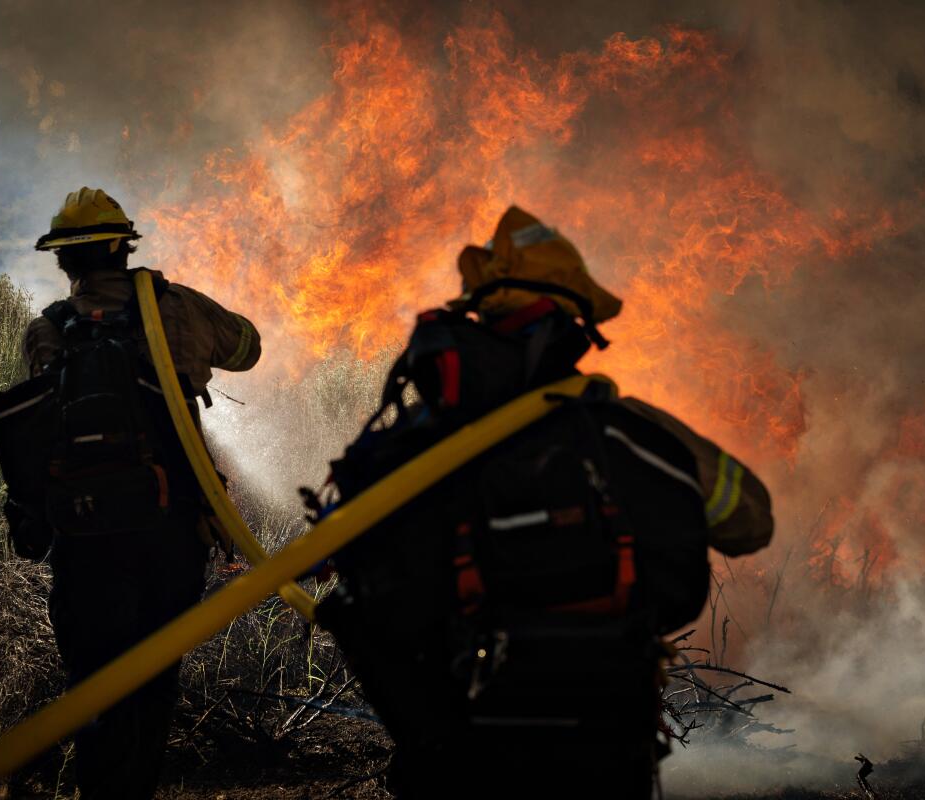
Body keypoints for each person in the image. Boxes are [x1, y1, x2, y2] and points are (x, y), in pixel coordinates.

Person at [312, 207, 774, 798]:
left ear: (477, 308)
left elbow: (355, 586)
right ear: (573, 319)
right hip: (604, 746)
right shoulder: (625, 432)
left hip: (454, 753)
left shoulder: (413, 447)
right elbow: (750, 523)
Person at [0, 187, 260, 799]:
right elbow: (248, 349)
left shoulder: (45, 332)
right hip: (171, 528)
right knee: (155, 677)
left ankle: (100, 788)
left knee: (92, 679)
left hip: (84, 533)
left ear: (64, 261)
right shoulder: (179, 309)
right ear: (124, 248)